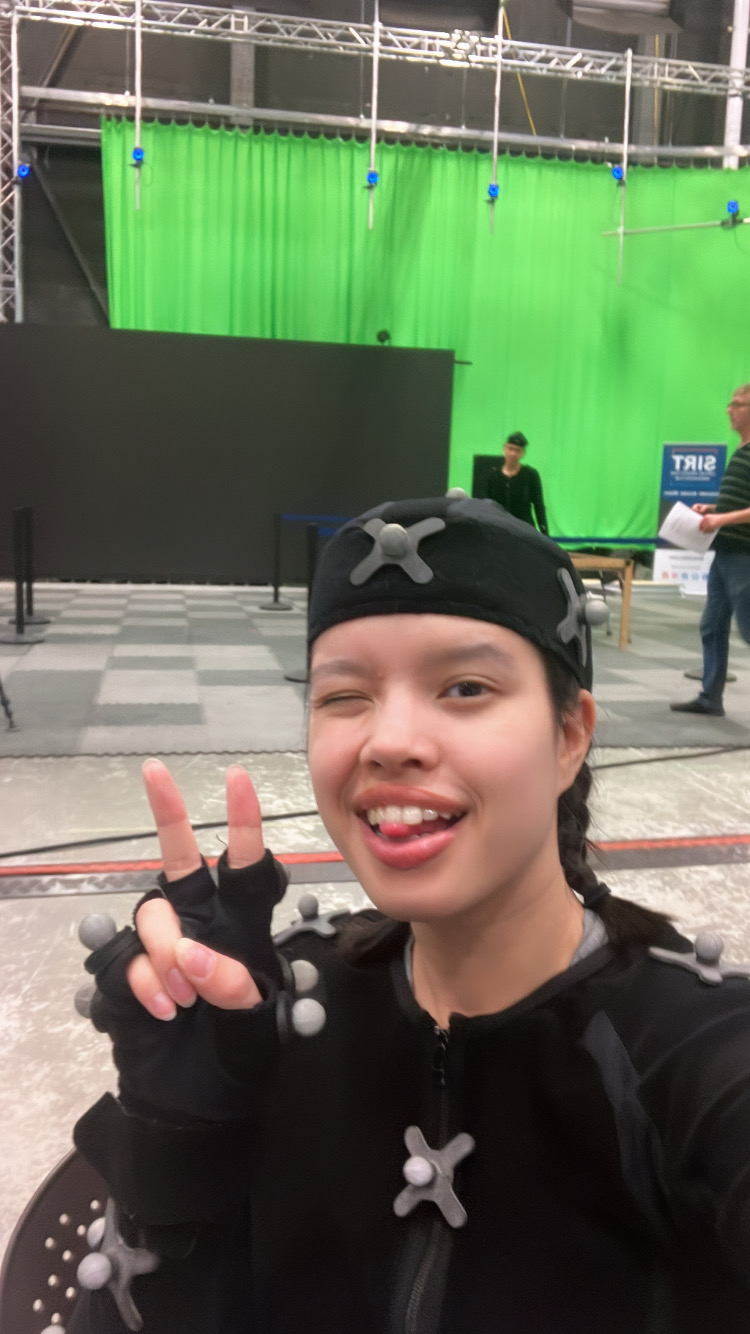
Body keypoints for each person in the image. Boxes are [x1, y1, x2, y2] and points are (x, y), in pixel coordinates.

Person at [69, 494, 750, 1334]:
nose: (389, 741)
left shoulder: (692, 1055)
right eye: (344, 695)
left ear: (570, 735)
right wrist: (178, 1137)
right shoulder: (276, 1013)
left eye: (465, 687)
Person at [671, 384, 750, 717]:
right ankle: (710, 698)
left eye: (738, 404)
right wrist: (714, 509)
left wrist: (721, 519)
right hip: (725, 552)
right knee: (712, 626)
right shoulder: (742, 451)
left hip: (744, 555)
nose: (730, 409)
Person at [485, 430, 548, 533]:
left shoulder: (530, 475)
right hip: (500, 529)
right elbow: (487, 504)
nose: (513, 453)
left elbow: (539, 506)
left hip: (524, 530)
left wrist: (544, 533)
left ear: (523, 453)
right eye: (510, 449)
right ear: (504, 448)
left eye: (518, 450)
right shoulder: (493, 475)